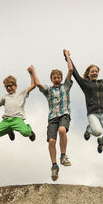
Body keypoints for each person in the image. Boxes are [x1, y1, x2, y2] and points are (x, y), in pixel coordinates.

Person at [67, 51, 103, 153]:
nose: (94, 73)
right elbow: (75, 73)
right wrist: (67, 57)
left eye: (96, 71)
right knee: (98, 131)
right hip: (93, 113)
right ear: (88, 74)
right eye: (92, 71)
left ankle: (101, 142)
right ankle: (89, 129)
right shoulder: (85, 83)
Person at [30, 50, 74, 181]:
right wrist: (32, 72)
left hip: (64, 114)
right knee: (51, 141)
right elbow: (38, 84)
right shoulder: (48, 91)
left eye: (58, 77)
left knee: (62, 130)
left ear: (61, 79)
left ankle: (63, 156)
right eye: (54, 78)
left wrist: (67, 56)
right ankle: (54, 166)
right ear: (51, 79)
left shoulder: (65, 87)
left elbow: (70, 70)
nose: (57, 79)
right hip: (52, 118)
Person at [0, 66, 37, 142]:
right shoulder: (5, 97)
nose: (8, 88)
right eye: (6, 86)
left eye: (10, 86)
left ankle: (30, 130)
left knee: (26, 132)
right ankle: (9, 130)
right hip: (6, 121)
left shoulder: (21, 94)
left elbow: (33, 86)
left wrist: (31, 73)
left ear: (15, 86)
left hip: (17, 120)